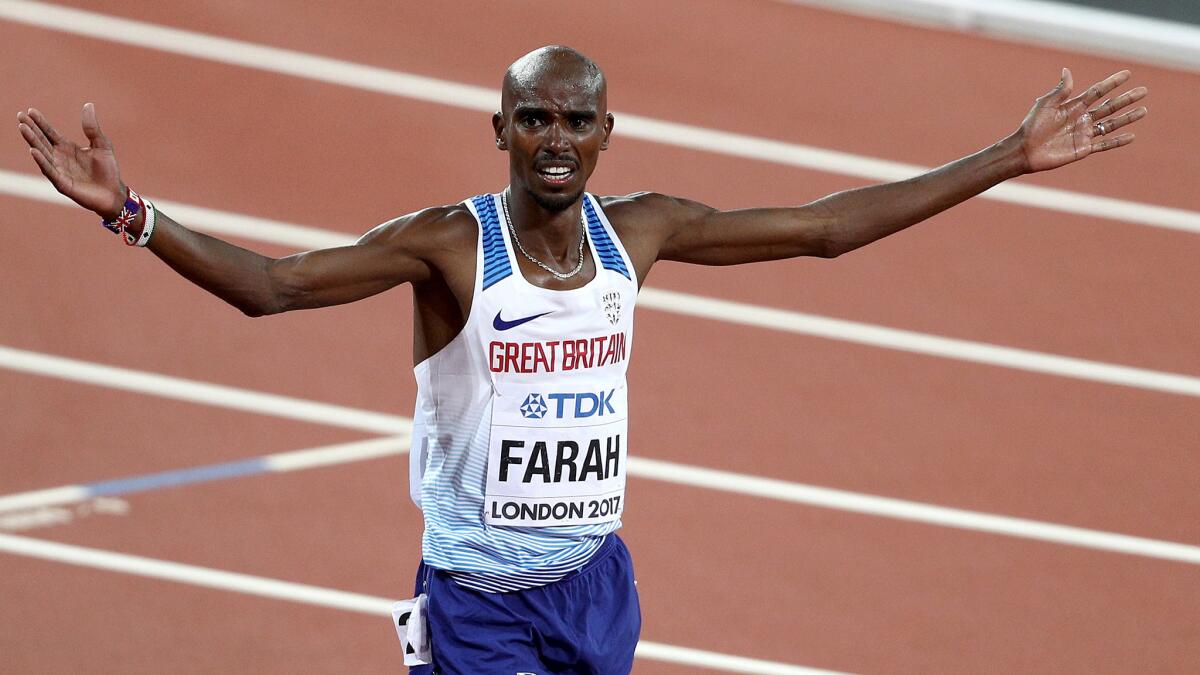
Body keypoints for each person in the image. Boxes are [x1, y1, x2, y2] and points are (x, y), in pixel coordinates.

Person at [17, 45, 1146, 673]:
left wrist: (1008, 155)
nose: (557, 139)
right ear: (498, 129)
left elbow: (824, 227)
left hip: (596, 586)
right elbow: (273, 289)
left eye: (578, 121)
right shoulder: (450, 245)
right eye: (535, 119)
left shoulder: (639, 233)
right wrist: (131, 215)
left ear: (608, 135)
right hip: (481, 603)